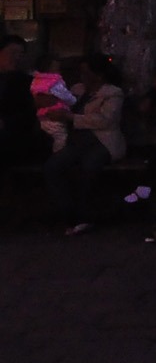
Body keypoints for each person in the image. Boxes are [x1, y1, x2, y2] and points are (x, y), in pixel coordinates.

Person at [42, 54, 127, 235]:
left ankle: (85, 215)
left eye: (86, 73)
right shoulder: (77, 90)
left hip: (101, 140)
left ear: (98, 75)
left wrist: (72, 118)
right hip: (77, 140)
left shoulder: (113, 93)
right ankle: (67, 212)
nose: (82, 76)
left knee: (88, 166)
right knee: (53, 167)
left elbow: (106, 120)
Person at [0, 33, 48, 166]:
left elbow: (29, 112)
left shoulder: (27, 82)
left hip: (15, 135)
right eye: (12, 53)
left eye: (20, 54)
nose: (17, 57)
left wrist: (6, 122)